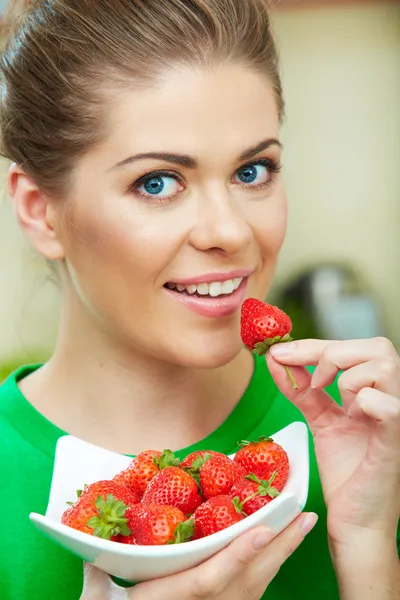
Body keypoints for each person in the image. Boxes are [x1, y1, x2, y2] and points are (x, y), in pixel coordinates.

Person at [0, 0, 399, 598]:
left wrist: (368, 546)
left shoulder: (368, 441)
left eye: (253, 171)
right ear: (41, 212)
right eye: (157, 182)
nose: (232, 232)